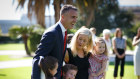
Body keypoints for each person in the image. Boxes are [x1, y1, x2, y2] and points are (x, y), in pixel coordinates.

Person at [31, 5, 78, 79]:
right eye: (72, 17)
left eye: (76, 17)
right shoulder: (52, 33)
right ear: (62, 17)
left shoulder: (64, 32)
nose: (75, 20)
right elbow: (38, 58)